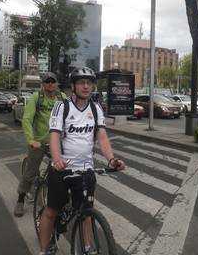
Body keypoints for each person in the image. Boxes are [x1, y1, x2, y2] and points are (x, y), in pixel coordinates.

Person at [38, 67, 125, 255]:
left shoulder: (95, 108)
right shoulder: (62, 107)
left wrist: (111, 159)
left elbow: (101, 136)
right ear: (73, 86)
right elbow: (54, 135)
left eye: (89, 83)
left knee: (86, 212)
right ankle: (44, 250)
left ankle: (87, 248)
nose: (86, 86)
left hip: (86, 169)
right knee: (51, 212)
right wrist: (57, 159)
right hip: (62, 169)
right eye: (81, 82)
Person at [14, 72, 66, 217]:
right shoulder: (37, 98)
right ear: (42, 84)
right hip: (38, 142)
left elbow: (71, 117)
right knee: (30, 173)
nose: (50, 84)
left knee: (63, 169)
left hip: (55, 143)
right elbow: (27, 119)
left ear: (56, 84)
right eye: (47, 82)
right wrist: (31, 140)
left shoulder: (62, 98)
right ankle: (21, 199)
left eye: (53, 81)